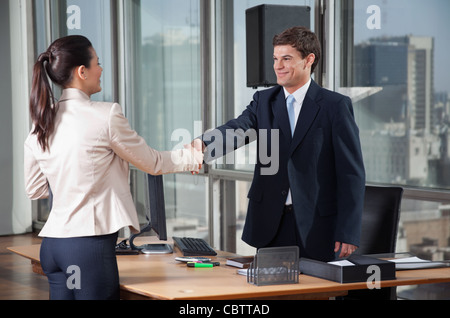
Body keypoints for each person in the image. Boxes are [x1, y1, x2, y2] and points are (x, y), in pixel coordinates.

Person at [24, 35, 203, 300]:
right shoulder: (105, 114)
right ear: (82, 71)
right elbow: (152, 162)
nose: (101, 69)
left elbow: (36, 189)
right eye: (97, 62)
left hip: (53, 247)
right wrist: (192, 156)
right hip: (87, 247)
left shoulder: (42, 122)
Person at [193, 26, 365, 262]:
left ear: (309, 60)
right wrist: (202, 144)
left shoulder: (335, 106)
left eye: (286, 58)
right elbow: (238, 128)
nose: (278, 66)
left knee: (313, 296)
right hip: (270, 223)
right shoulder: (264, 101)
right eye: (275, 58)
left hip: (317, 226)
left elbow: (351, 174)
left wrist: (348, 231)